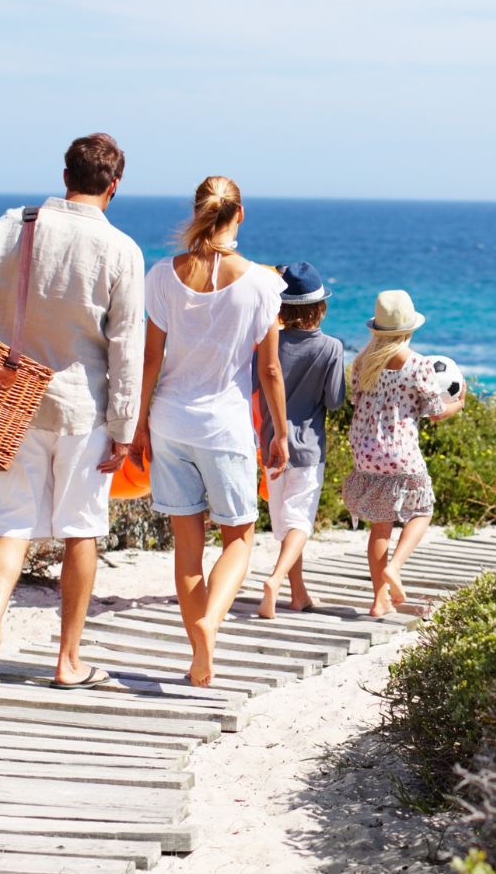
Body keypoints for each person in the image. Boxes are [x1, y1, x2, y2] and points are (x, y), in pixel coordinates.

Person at [0, 133, 144, 696]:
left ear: (64, 175)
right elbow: (125, 348)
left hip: (10, 405)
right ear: (115, 186)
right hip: (81, 410)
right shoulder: (120, 250)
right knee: (80, 530)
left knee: (11, 524)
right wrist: (125, 429)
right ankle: (67, 661)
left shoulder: (11, 227)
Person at [115, 176, 287, 687]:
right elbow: (271, 371)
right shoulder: (262, 284)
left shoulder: (164, 275)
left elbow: (150, 358)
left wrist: (139, 421)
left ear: (198, 211)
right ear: (241, 214)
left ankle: (199, 655)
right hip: (225, 427)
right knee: (239, 537)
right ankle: (212, 621)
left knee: (187, 549)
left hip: (170, 421)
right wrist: (279, 432)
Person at [341, 289, 463, 617]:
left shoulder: (362, 363)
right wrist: (459, 403)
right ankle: (395, 567)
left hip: (366, 454)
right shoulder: (419, 365)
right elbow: (436, 411)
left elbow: (360, 402)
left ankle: (379, 601)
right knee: (422, 510)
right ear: (409, 329)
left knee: (380, 526)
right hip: (402, 454)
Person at [255, 262, 346, 619]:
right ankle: (276, 581)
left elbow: (255, 387)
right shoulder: (331, 348)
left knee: (285, 524)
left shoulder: (266, 344)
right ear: (320, 308)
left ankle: (298, 594)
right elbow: (335, 400)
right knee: (300, 522)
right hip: (308, 447)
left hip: (270, 445)